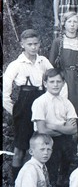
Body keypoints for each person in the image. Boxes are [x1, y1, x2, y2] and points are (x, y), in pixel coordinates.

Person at [3, 29, 53, 178]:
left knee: (42, 142)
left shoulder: (43, 61)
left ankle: (41, 181)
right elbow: (5, 94)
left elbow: (55, 77)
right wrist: (16, 111)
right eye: (29, 44)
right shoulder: (16, 64)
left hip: (42, 100)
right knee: (21, 146)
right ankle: (17, 183)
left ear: (39, 44)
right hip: (24, 104)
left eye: (36, 44)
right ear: (22, 44)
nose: (33, 47)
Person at [31, 68, 78, 187]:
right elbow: (42, 130)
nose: (55, 85)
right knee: (50, 167)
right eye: (52, 82)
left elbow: (73, 129)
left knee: (70, 157)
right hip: (45, 139)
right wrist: (63, 128)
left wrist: (54, 126)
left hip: (64, 139)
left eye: (59, 81)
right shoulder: (40, 102)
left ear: (63, 83)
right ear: (45, 83)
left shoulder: (66, 103)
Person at [49, 12, 78, 135]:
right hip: (64, 79)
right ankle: (65, 134)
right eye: (69, 22)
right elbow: (51, 65)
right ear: (64, 24)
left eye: (75, 22)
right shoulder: (58, 42)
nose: (72, 25)